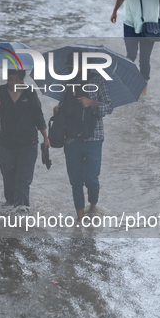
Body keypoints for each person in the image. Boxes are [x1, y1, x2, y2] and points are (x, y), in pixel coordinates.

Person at [54, 53, 113, 222]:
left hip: (94, 138)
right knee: (75, 181)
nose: (71, 70)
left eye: (73, 67)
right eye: (69, 68)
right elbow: (62, 106)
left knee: (91, 179)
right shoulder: (66, 83)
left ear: (83, 66)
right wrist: (57, 111)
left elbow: (109, 107)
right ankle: (80, 219)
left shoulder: (98, 81)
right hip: (71, 139)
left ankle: (93, 205)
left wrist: (92, 103)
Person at [0, 69, 49, 213]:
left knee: (23, 179)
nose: (14, 83)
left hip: (28, 143)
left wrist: (46, 137)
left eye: (17, 80)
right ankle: (10, 207)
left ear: (22, 80)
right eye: (11, 79)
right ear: (6, 79)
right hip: (5, 144)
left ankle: (22, 213)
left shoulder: (30, 92)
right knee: (8, 179)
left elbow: (38, 116)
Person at [110, 0, 160, 94]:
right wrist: (115, 11)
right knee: (131, 54)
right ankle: (121, 80)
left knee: (144, 60)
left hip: (149, 27)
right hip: (130, 24)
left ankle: (143, 92)